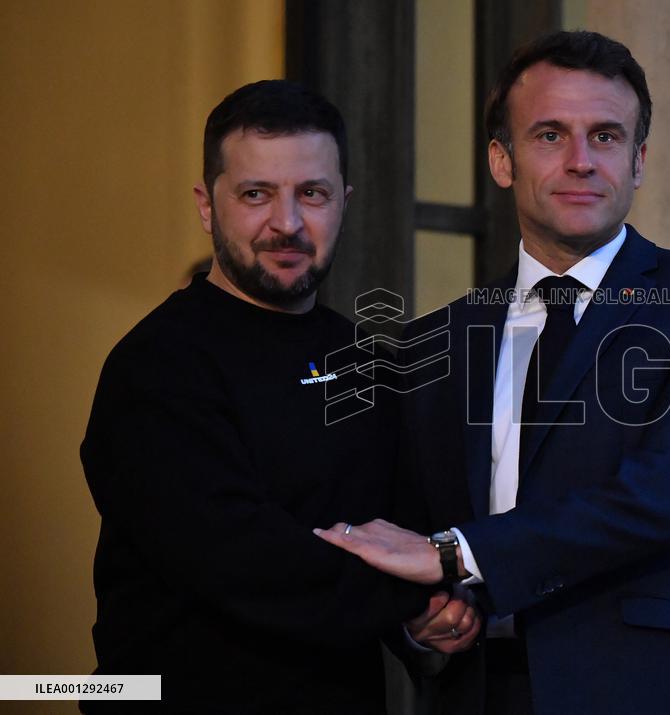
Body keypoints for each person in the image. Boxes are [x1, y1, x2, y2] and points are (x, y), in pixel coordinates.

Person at [315, 31, 670, 715]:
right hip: (480, 692)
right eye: (551, 135)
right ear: (502, 161)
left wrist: (458, 553)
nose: (581, 161)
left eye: (606, 137)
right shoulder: (432, 342)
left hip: (652, 689)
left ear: (639, 161)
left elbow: (669, 492)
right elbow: (410, 533)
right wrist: (420, 622)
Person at [81, 80, 478, 713]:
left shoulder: (366, 360)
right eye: (256, 194)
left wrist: (428, 619)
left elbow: (403, 529)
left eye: (312, 194)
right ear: (207, 205)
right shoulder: (156, 367)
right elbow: (240, 558)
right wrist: (420, 583)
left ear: (344, 202)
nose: (287, 223)